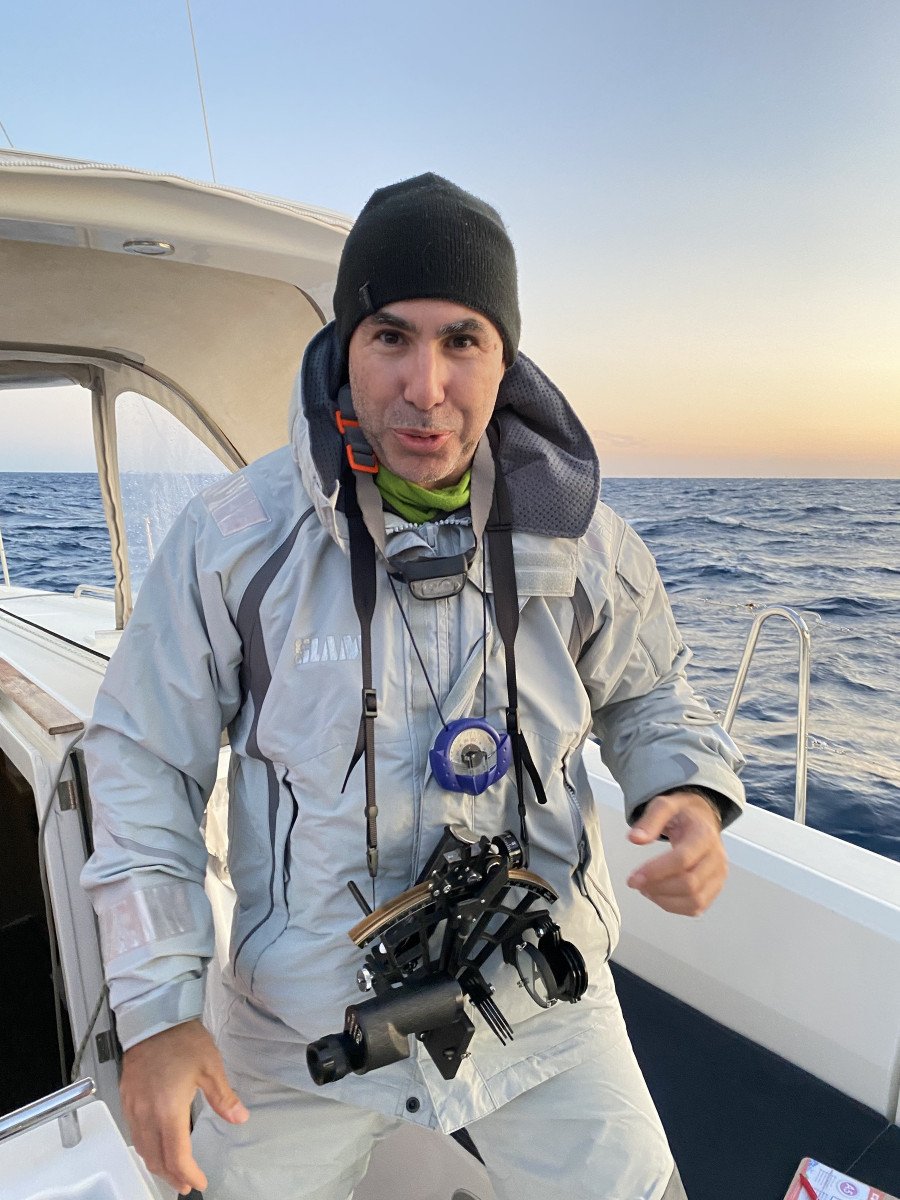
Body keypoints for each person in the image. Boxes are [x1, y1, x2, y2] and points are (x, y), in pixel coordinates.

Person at [82, 173, 745, 1200]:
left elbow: (651, 692)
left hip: (540, 993)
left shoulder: (584, 540)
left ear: (505, 360)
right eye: (390, 336)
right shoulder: (232, 541)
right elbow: (141, 761)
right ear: (343, 347)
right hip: (299, 1021)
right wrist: (160, 1015)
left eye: (461, 340)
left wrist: (689, 791)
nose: (425, 387)